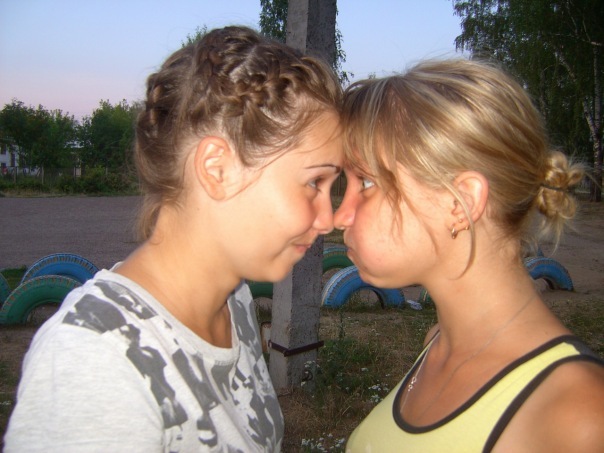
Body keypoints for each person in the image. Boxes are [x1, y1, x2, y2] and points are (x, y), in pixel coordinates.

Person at [5, 26, 344, 452]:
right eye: (314, 182)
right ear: (217, 169)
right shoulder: (95, 360)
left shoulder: (233, 300)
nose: (329, 219)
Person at [335, 59, 604, 452]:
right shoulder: (438, 343)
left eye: (366, 182)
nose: (340, 215)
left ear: (460, 203)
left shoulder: (578, 416)